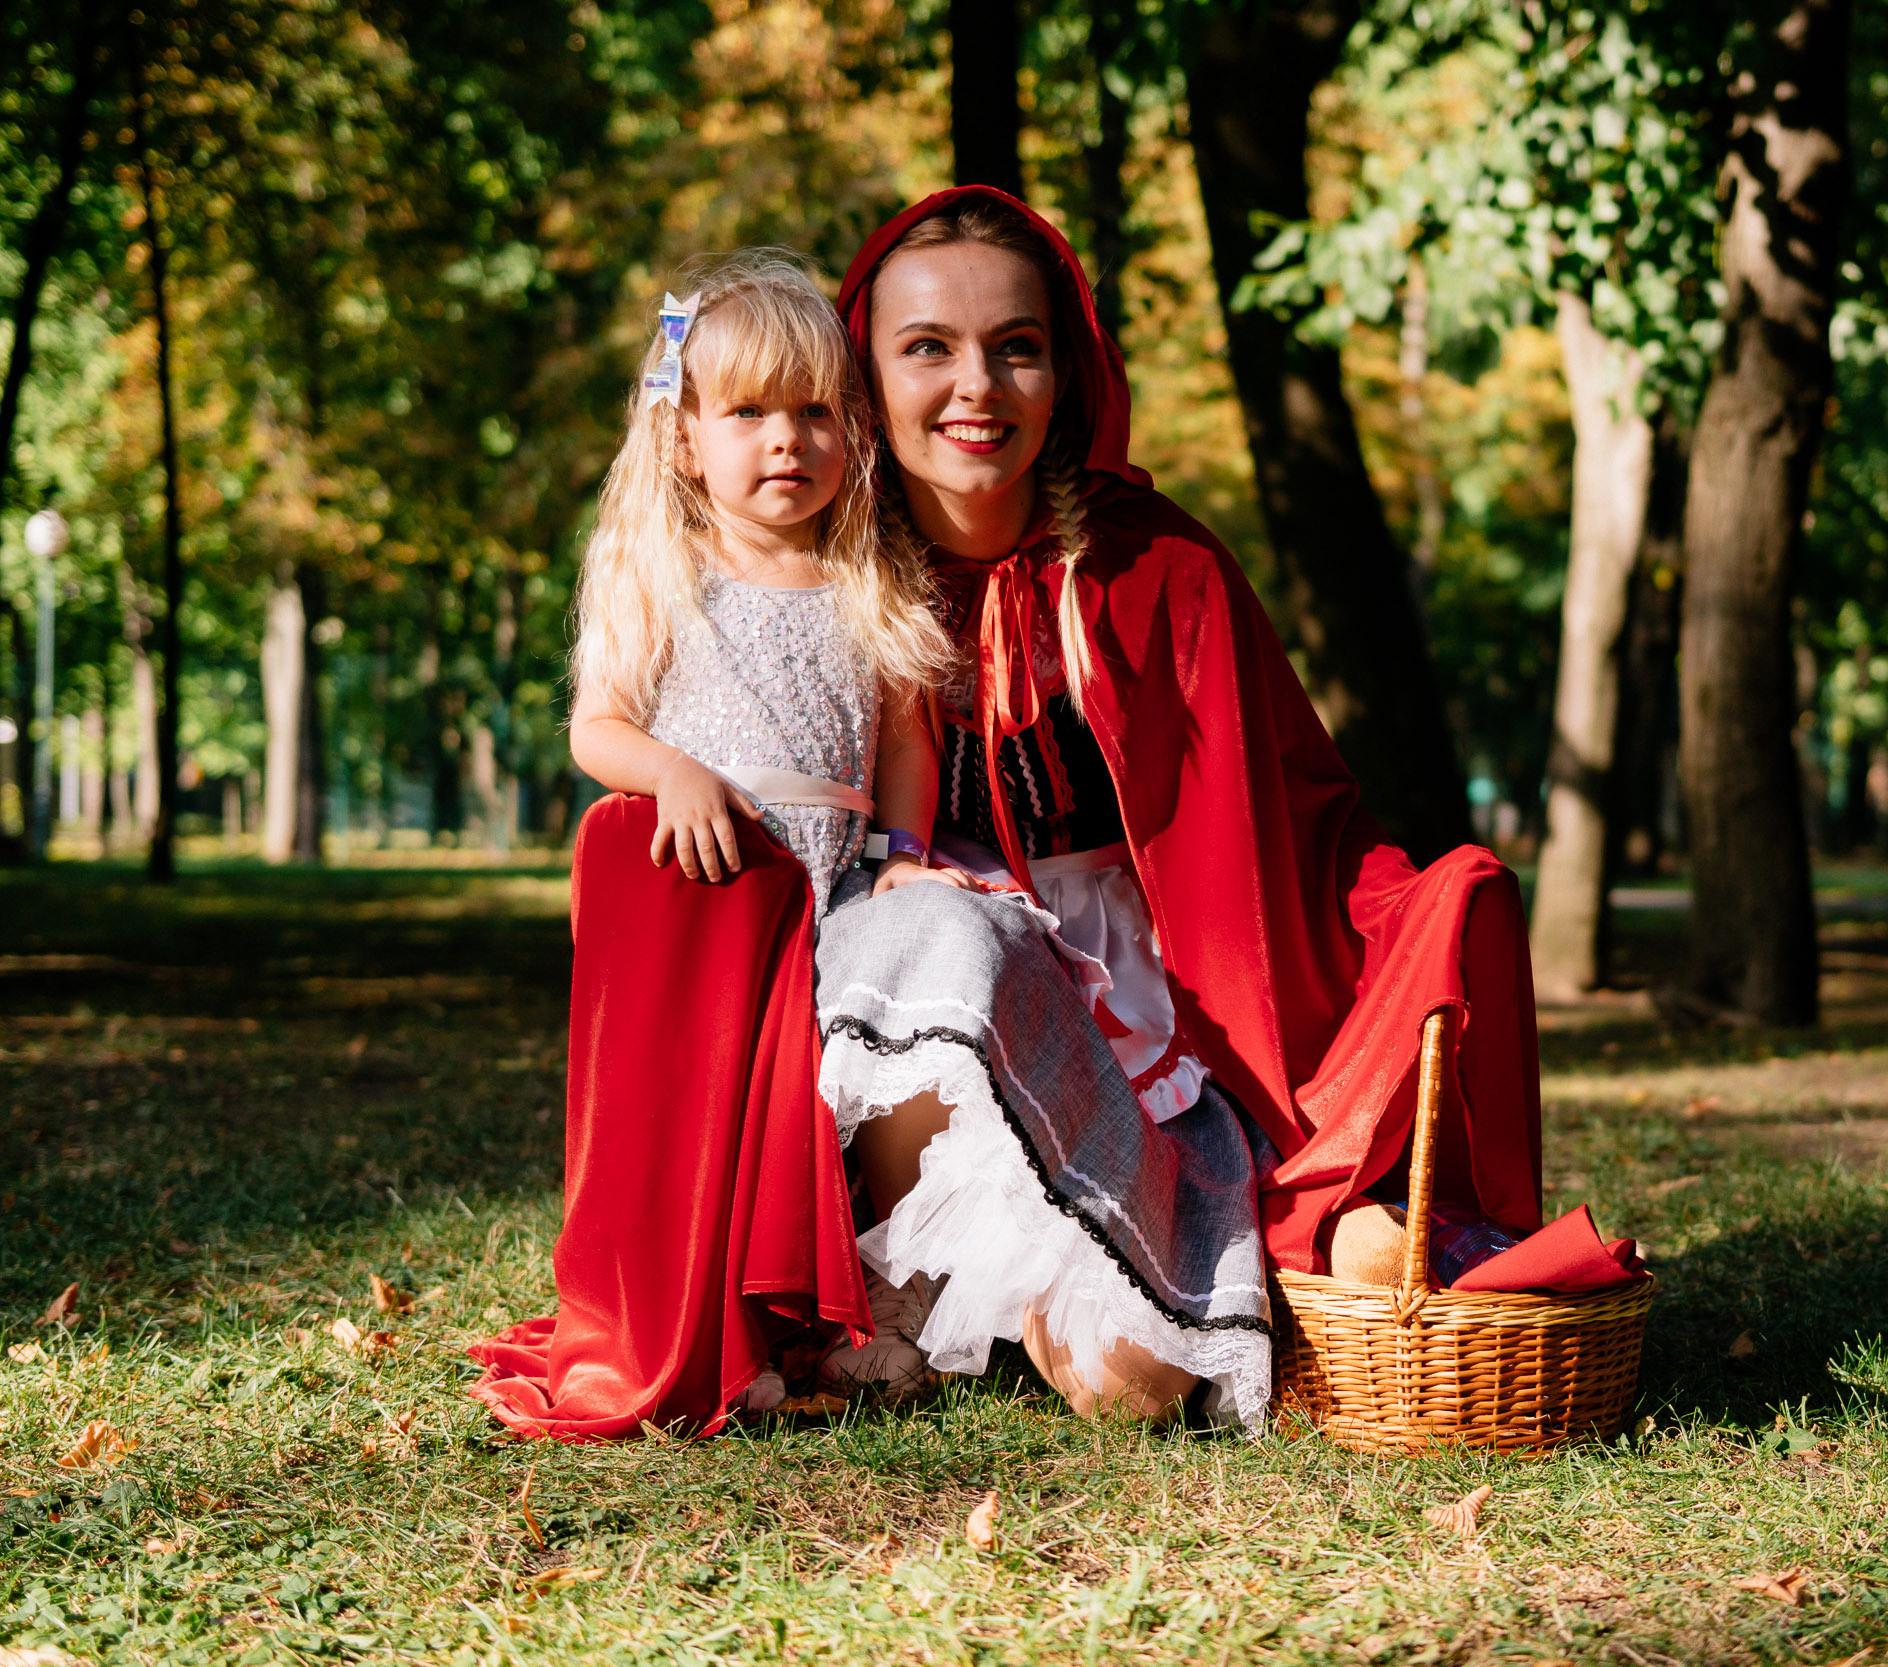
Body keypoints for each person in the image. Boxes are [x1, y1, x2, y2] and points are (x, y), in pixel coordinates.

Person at [807, 188, 1545, 1433]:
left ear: (1070, 369)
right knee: (929, 940)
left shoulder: (1160, 566)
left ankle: (1104, 1297)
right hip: (939, 969)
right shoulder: (826, 571)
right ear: (866, 376)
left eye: (1017, 345)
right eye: (926, 347)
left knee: (1132, 1386)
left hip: (1137, 985)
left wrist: (1408, 915)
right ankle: (912, 1291)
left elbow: (1278, 821)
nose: (975, 384)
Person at [468, 249, 955, 1439]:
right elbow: (599, 727)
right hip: (713, 899)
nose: (785, 441)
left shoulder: (865, 576)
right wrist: (676, 772)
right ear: (685, 439)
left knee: (858, 1088)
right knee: (727, 1124)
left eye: (815, 413)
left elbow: (904, 740)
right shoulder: (666, 571)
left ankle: (864, 1314)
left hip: (831, 892)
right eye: (746, 414)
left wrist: (898, 848)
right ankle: (730, 1333)